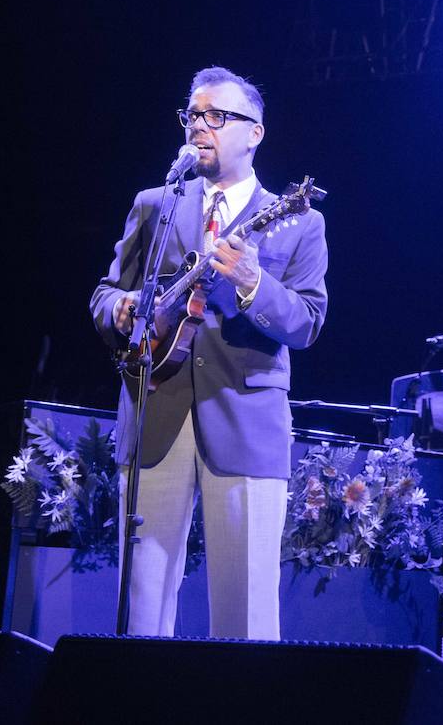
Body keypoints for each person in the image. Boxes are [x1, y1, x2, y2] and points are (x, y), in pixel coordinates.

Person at [90, 66, 328, 639]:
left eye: (216, 116)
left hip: (246, 423)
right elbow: (105, 293)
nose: (200, 126)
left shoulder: (299, 221)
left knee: (246, 616)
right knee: (140, 609)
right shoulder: (155, 204)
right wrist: (120, 310)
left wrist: (252, 282)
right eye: (193, 115)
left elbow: (307, 322)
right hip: (153, 414)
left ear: (254, 133)